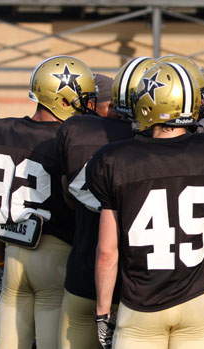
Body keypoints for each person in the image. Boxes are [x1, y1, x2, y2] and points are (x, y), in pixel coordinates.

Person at [87, 62, 204, 348]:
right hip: (197, 301)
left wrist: (102, 311)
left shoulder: (115, 159)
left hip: (141, 303)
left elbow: (107, 252)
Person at [0, 55, 96, 348]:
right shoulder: (68, 139)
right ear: (65, 99)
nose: (89, 105)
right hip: (55, 255)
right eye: (84, 98)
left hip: (13, 253)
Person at [57, 57, 157, 349]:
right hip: (142, 281)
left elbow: (69, 195)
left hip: (85, 270)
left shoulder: (79, 130)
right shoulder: (170, 147)